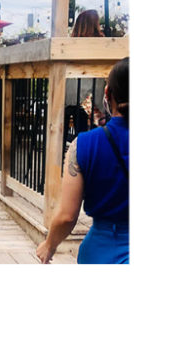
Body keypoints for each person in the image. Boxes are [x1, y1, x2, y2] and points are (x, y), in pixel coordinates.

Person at [37, 57, 129, 264]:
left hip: (103, 251)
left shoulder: (84, 144)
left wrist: (49, 245)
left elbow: (67, 216)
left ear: (107, 94)